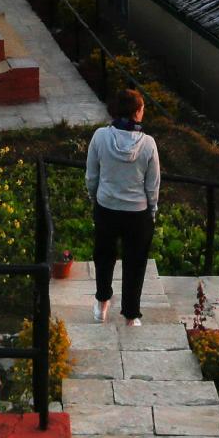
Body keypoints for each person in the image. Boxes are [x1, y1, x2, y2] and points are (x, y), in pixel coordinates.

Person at [84, 86, 160, 325]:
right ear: (137, 112)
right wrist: (153, 210)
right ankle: (130, 315)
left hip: (106, 207)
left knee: (104, 256)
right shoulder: (148, 143)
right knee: (135, 263)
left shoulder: (100, 136)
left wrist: (95, 197)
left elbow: (91, 175)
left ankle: (101, 304)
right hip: (137, 213)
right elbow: (153, 184)